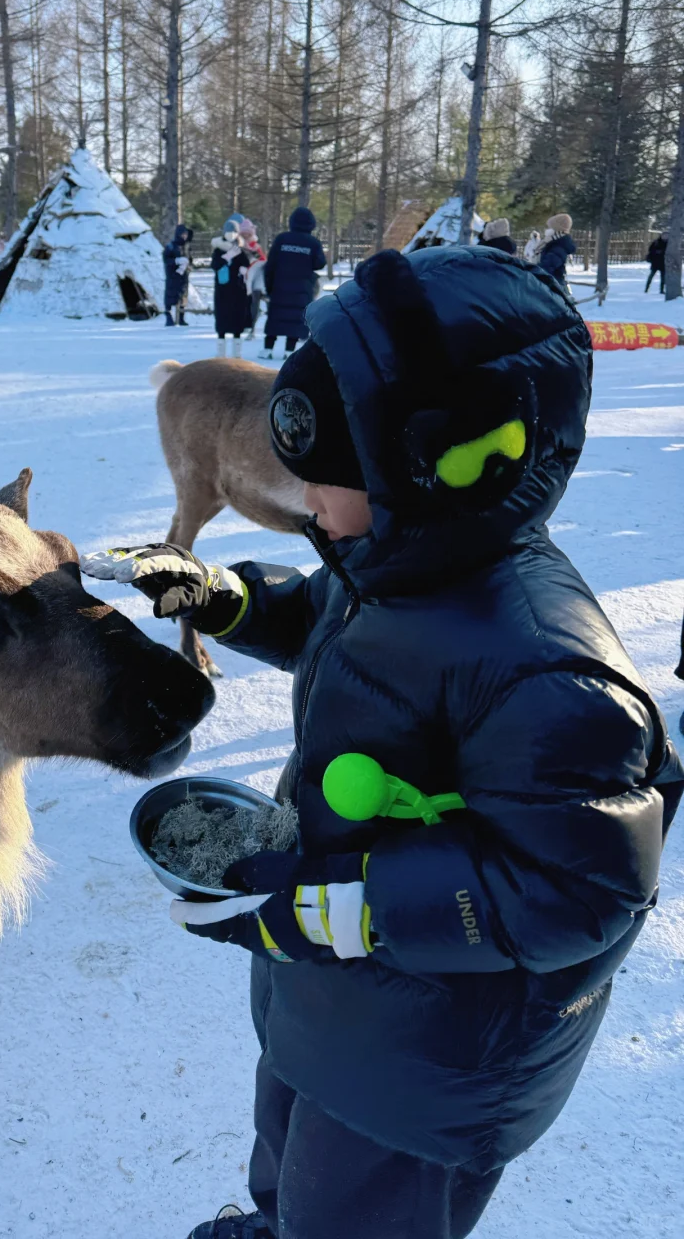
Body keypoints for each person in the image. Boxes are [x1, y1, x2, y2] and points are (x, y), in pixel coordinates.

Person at [83, 245, 681, 1239]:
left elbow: (582, 893)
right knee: (291, 1136)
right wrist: (225, 600)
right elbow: (325, 618)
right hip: (345, 991)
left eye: (328, 475)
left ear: (445, 460)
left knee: (357, 1205)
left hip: (434, 1061)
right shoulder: (398, 561)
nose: (301, 496)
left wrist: (345, 911)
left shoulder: (548, 670)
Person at [260, 206, 325, 360]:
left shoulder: (281, 239)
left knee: (275, 318)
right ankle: (289, 350)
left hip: (279, 287)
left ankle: (267, 348)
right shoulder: (313, 243)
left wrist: (269, 287)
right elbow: (319, 263)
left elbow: (270, 265)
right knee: (295, 319)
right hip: (302, 288)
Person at [211, 226, 252, 358]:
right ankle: (221, 353)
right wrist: (226, 257)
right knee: (222, 320)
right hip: (222, 291)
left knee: (237, 320)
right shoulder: (218, 249)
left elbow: (246, 263)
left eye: (234, 231)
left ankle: (237, 353)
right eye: (229, 231)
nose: (232, 234)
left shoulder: (239, 249)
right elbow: (215, 265)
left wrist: (243, 269)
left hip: (238, 290)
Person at [163, 222, 194, 326]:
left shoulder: (187, 246)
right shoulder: (171, 246)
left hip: (184, 276)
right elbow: (166, 260)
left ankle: (181, 317)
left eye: (185, 234)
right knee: (170, 296)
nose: (184, 236)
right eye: (182, 234)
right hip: (173, 275)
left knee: (183, 296)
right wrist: (176, 261)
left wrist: (189, 266)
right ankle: (168, 316)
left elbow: (190, 259)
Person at [537, 213, 576, 283]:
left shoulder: (558, 247)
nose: (547, 229)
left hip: (551, 285)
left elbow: (546, 268)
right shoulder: (552, 243)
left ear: (557, 229)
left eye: (549, 227)